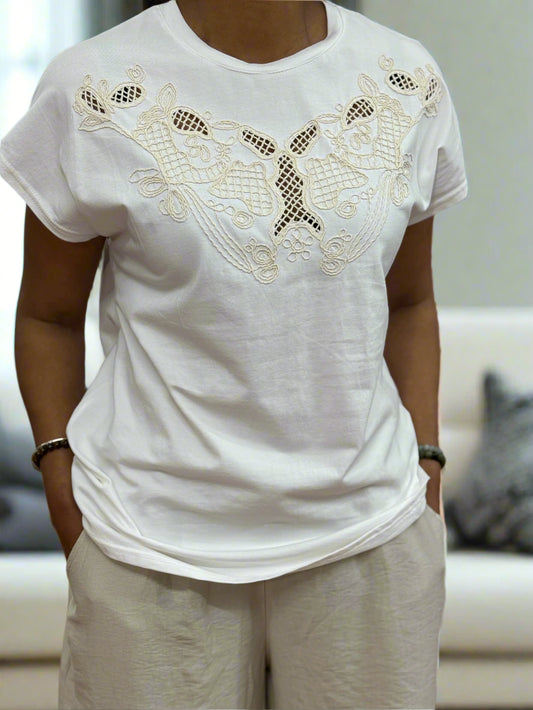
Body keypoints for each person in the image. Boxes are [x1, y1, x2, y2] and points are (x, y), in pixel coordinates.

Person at [0, 0, 468, 708]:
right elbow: (48, 316)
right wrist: (61, 477)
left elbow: (408, 302)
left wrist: (426, 459)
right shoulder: (93, 85)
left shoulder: (404, 78)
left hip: (370, 533)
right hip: (146, 541)